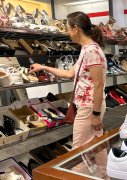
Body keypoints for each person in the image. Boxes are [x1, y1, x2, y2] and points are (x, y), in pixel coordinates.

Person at [29, 11, 107, 177]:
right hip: (89, 107)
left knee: (78, 151)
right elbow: (70, 74)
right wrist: (43, 67)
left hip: (89, 107)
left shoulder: (91, 50)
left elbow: (99, 84)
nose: (67, 32)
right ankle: (104, 175)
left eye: (67, 28)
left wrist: (95, 113)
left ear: (76, 28)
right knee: (98, 144)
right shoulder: (86, 49)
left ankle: (77, 176)